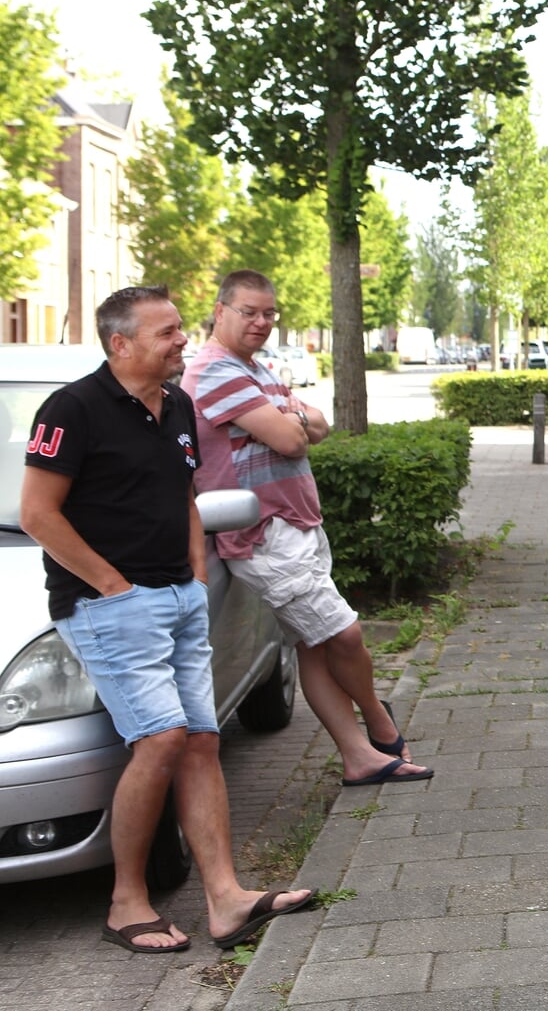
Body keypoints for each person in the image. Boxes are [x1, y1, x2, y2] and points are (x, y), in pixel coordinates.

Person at [20, 285, 317, 953]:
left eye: (182, 328)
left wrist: (196, 575)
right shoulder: (72, 408)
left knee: (203, 741)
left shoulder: (177, 402)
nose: (184, 339)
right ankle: (127, 903)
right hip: (108, 607)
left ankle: (226, 899)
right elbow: (38, 514)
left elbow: (186, 494)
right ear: (120, 343)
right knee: (159, 741)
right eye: (167, 332)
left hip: (179, 597)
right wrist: (115, 587)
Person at [182, 270, 431, 789]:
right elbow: (294, 438)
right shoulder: (215, 371)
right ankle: (379, 722)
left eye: (269, 313)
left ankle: (358, 757)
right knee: (345, 632)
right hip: (263, 534)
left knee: (314, 646)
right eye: (249, 312)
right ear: (220, 309)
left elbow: (318, 424)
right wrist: (291, 418)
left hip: (294, 525)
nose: (261, 322)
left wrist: (293, 418)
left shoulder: (257, 369)